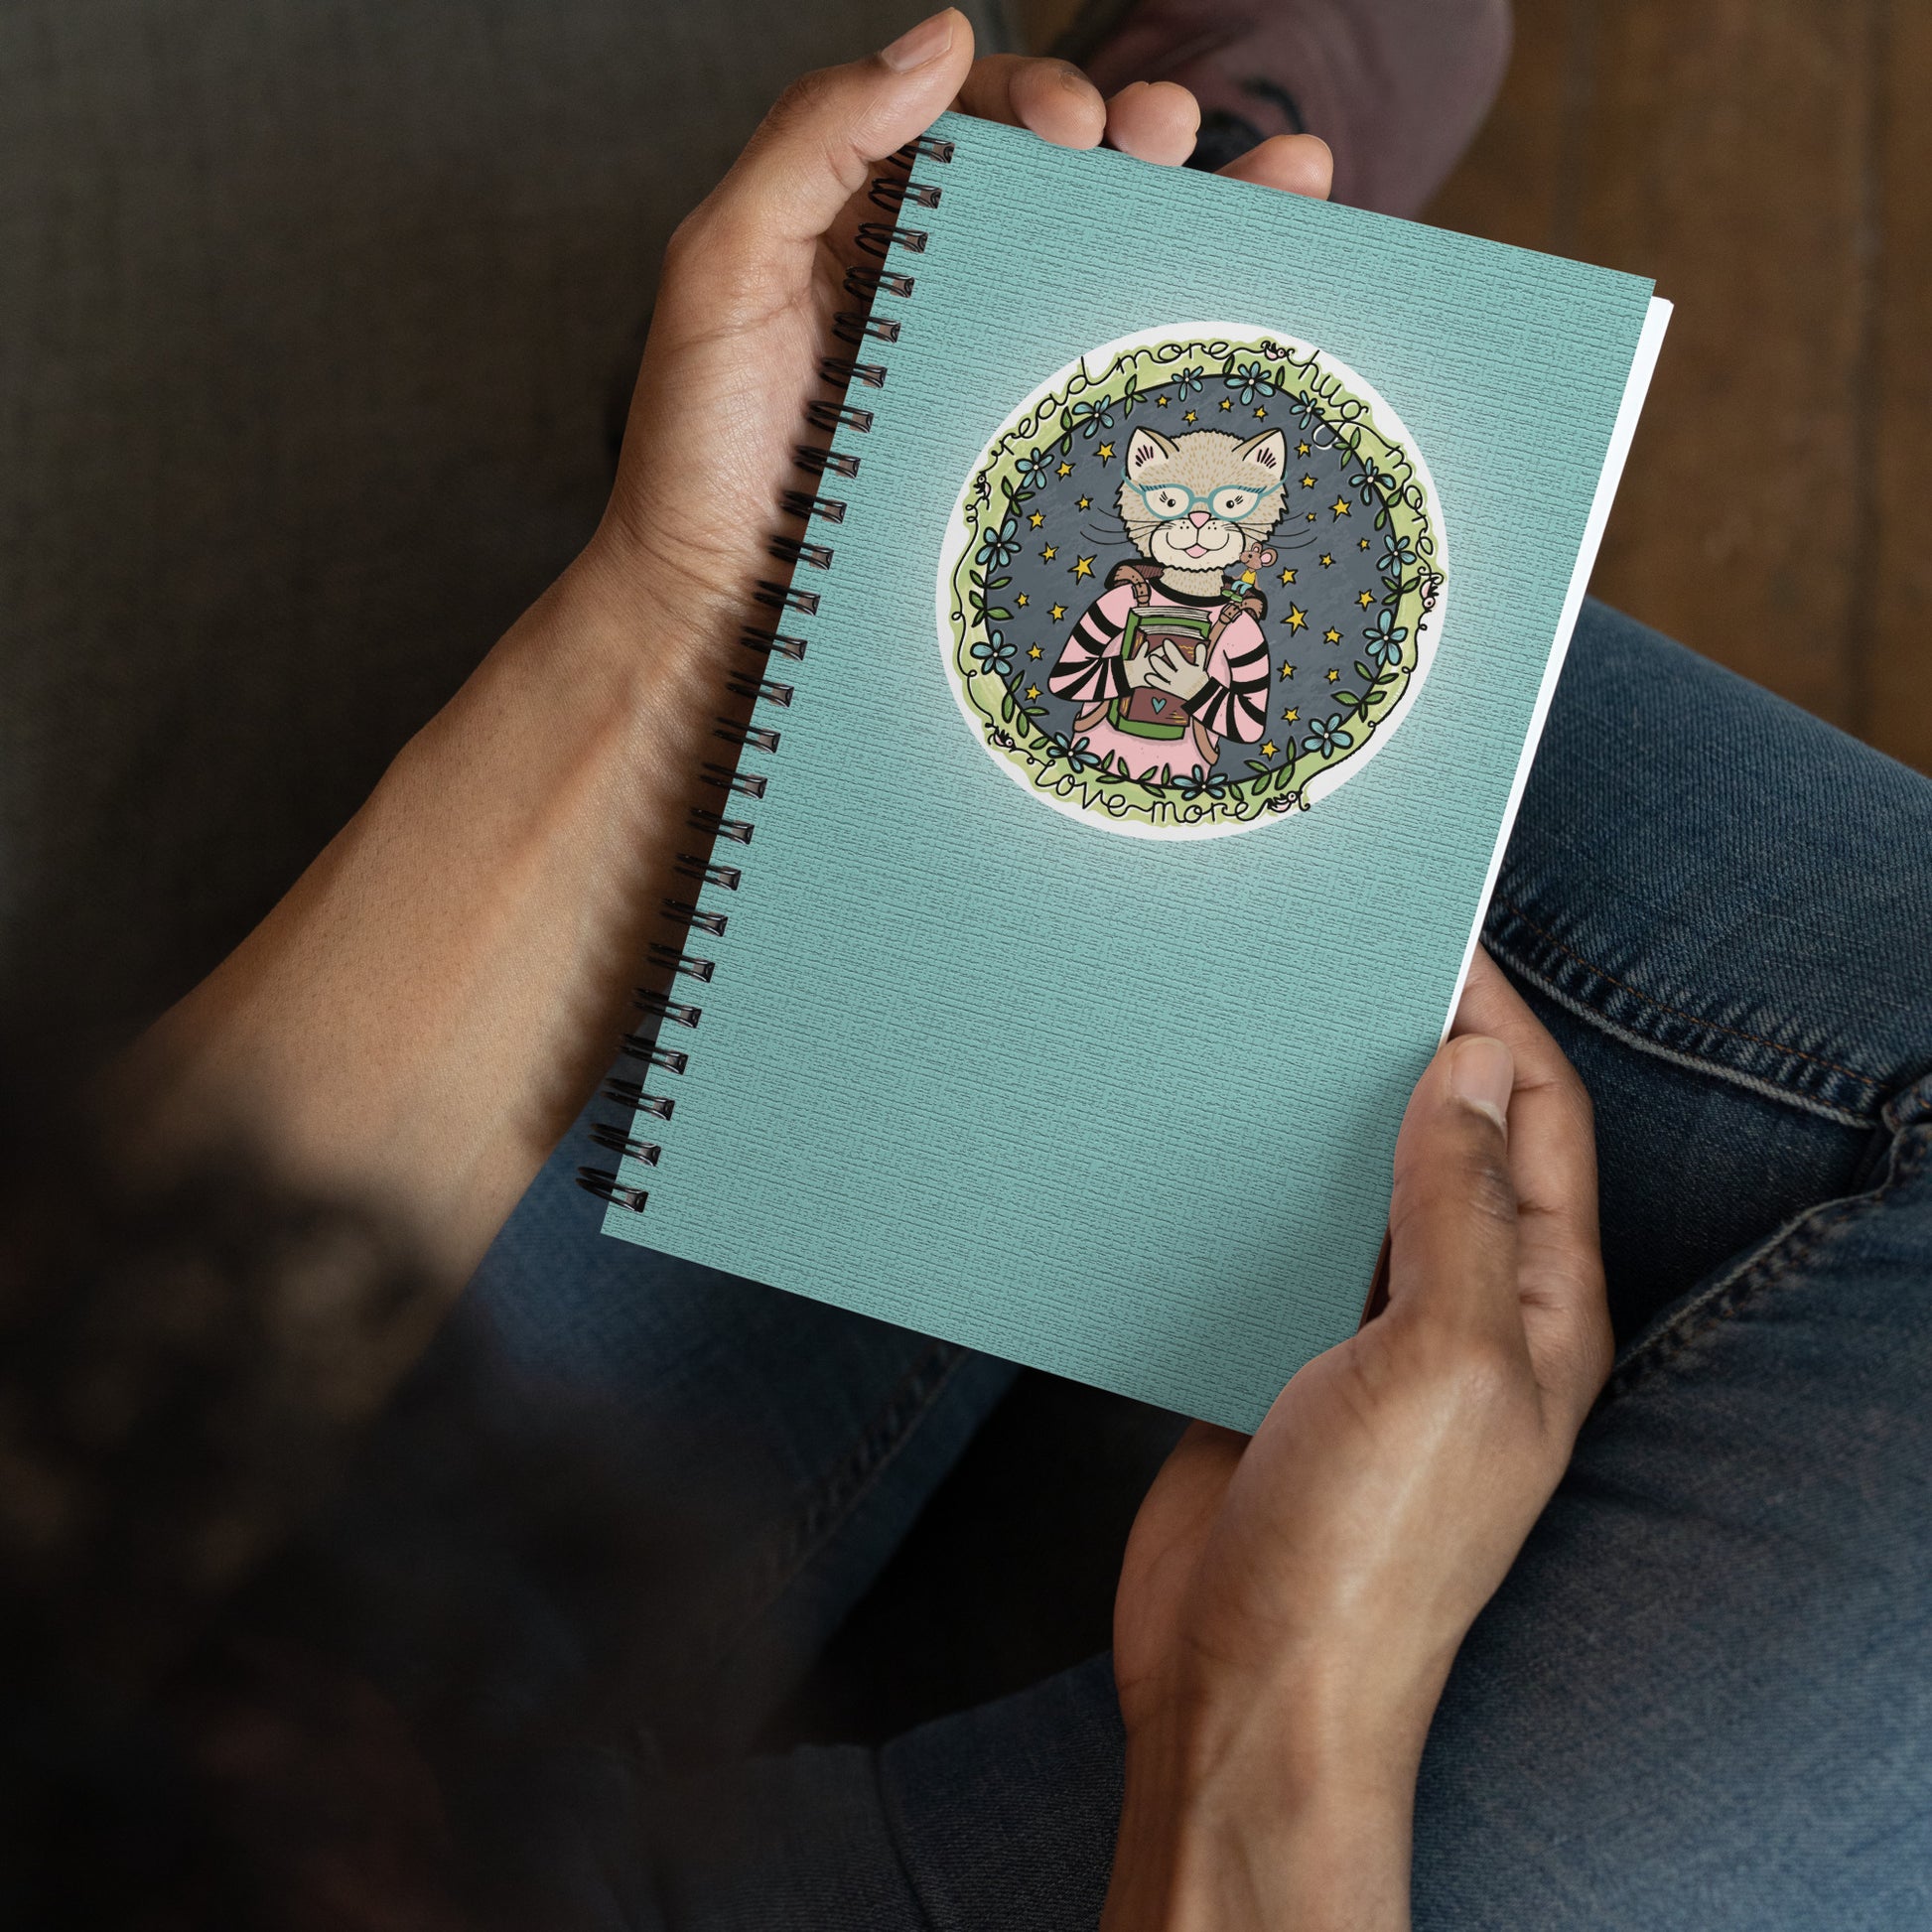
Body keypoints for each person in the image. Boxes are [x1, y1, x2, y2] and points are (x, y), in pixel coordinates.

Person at [5, 11, 1930, 1929]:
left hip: (194, 1704)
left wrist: (675, 620)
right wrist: (1269, 1734)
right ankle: (1089, 305)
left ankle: (962, 407)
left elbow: (69, 1446)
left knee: (895, 747)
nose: (1195, 533)